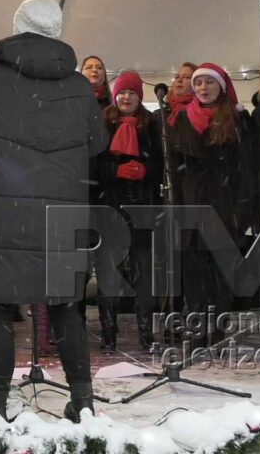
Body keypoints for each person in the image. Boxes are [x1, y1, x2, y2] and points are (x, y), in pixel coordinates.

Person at [0, 0, 108, 422]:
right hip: (62, 212)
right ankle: (83, 402)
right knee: (66, 306)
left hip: (5, 211)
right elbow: (98, 143)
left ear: (18, 28)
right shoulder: (78, 85)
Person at [167, 62, 256, 347]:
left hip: (224, 205)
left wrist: (242, 211)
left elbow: (247, 168)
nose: (203, 88)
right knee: (194, 272)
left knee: (220, 272)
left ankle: (216, 330)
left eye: (209, 82)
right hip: (191, 204)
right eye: (199, 83)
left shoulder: (237, 119)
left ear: (221, 86)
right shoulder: (181, 119)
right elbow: (174, 169)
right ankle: (197, 330)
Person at [91, 70, 163, 351]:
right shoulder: (102, 123)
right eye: (122, 92)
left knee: (144, 274)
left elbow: (161, 163)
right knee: (109, 273)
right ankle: (108, 333)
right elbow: (92, 164)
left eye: (132, 92)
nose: (126, 97)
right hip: (109, 209)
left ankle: (145, 333)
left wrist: (146, 170)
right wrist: (114, 170)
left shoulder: (151, 125)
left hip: (143, 209)